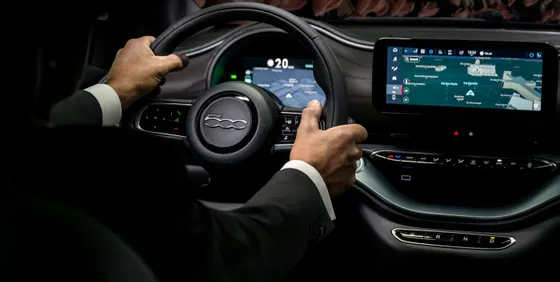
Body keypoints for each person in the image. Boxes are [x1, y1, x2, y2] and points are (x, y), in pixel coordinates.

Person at [19, 33, 368, 282]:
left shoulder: (32, 156)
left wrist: (116, 90)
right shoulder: (126, 168)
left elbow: (38, 135)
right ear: (52, 54)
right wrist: (310, 173)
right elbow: (228, 262)